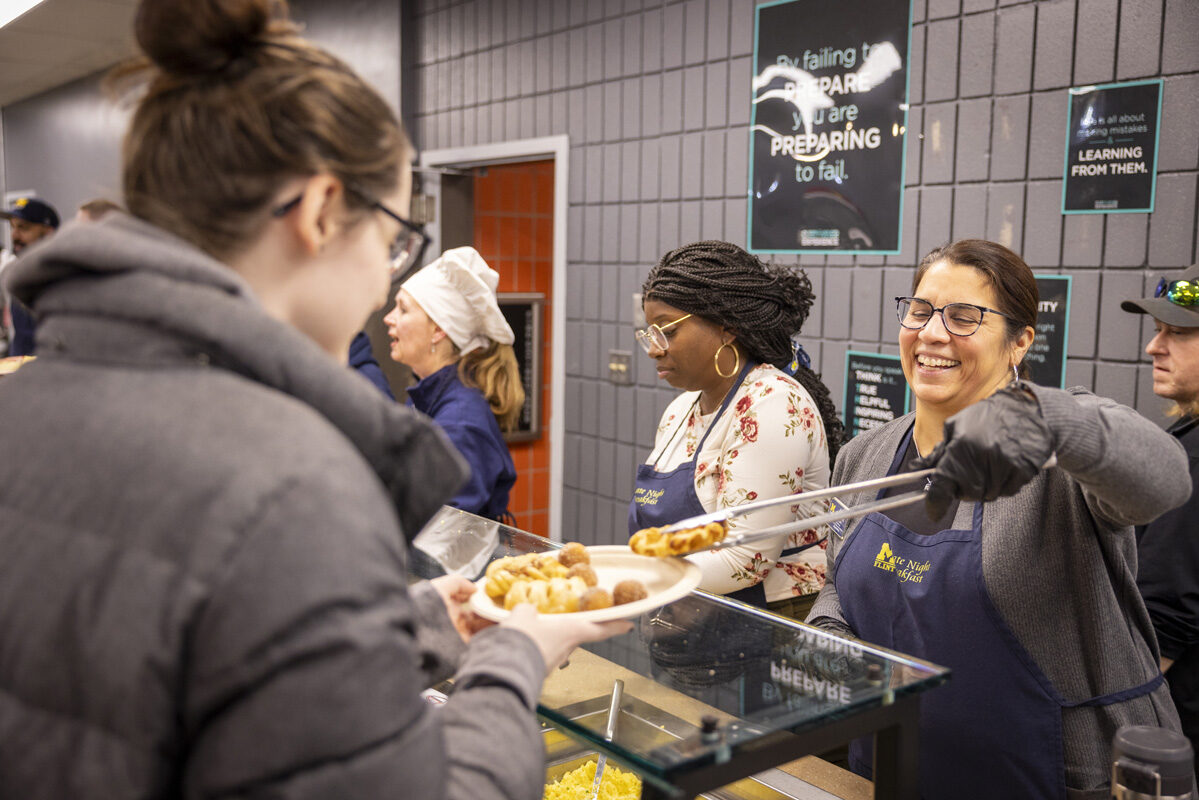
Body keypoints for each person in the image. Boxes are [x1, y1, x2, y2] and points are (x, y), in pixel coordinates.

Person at [0, 2, 629, 798]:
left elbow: (179, 668)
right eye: (393, 239)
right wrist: (516, 658)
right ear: (322, 211)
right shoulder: (292, 483)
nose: (384, 282)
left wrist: (405, 626)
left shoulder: (23, 404)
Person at [807, 239, 1192, 799]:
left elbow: (1165, 478)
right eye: (921, 311)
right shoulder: (863, 456)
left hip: (1054, 776)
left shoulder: (1059, 462)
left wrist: (1048, 421)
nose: (934, 333)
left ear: (1020, 343)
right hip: (895, 768)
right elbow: (837, 585)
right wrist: (830, 641)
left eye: (965, 317)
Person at [628, 240, 845, 618]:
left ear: (726, 328)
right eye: (649, 333)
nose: (654, 349)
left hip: (767, 623)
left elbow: (746, 558)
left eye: (667, 331)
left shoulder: (772, 403)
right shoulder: (681, 409)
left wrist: (633, 580)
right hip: (688, 609)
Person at [1122, 263, 1199, 771]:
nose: (1154, 347)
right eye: (1157, 331)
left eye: (1179, 334)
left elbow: (1163, 623)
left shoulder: (1191, 461)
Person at [384, 246, 522, 522]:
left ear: (437, 331)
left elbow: (440, 529)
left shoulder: (460, 422)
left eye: (403, 309)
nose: (389, 318)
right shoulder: (426, 396)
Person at [0, 195, 59, 355]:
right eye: (13, 227)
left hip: (55, 369)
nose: (14, 235)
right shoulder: (9, 271)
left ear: (48, 232)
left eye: (23, 228)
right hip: (16, 368)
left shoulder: (65, 276)